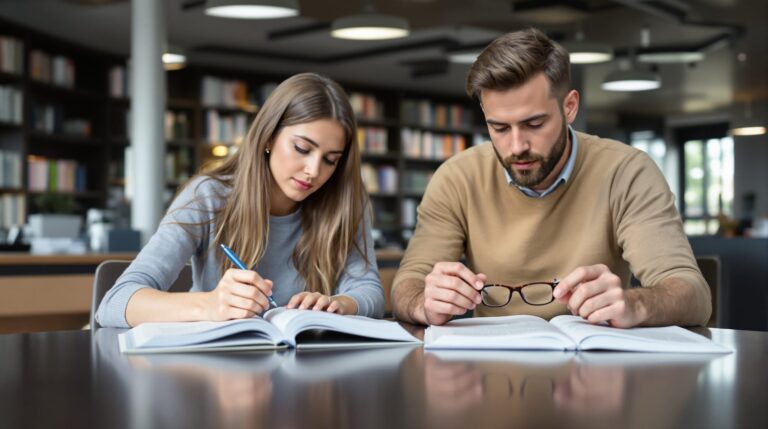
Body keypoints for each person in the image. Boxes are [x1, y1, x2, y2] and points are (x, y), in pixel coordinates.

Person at [391, 28, 711, 328]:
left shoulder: (628, 172)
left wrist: (635, 304)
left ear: (569, 107)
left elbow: (694, 294)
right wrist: (424, 302)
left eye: (534, 123)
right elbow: (407, 285)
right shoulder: (456, 178)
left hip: (595, 369)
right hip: (491, 370)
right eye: (499, 128)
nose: (517, 146)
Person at [96, 72, 384, 328]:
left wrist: (340, 304)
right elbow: (115, 302)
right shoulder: (207, 196)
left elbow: (369, 291)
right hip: (217, 374)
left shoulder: (345, 200)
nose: (314, 171)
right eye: (301, 148)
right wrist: (210, 305)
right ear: (269, 137)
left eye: (330, 160)